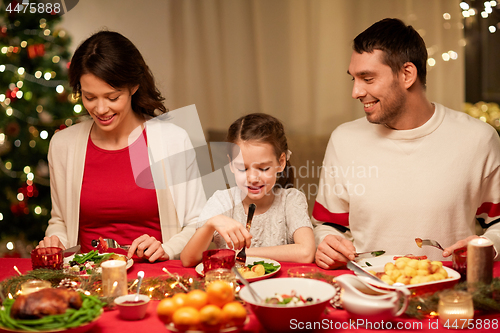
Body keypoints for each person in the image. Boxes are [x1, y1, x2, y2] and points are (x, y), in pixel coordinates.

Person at [313, 18, 500, 269]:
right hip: (369, 292)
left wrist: (487, 247)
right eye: (354, 79)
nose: (355, 92)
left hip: (448, 296)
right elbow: (328, 225)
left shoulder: (479, 138)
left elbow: (497, 223)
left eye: (367, 79)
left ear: (407, 74)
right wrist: (326, 242)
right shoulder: (343, 139)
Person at [37, 31, 206, 262]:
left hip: (155, 276)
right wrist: (56, 242)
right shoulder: (62, 145)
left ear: (134, 86)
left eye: (112, 97)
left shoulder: (173, 140)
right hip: (85, 278)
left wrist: (167, 248)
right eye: (89, 97)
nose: (101, 109)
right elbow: (60, 222)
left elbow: (198, 223)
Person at [180, 113, 316, 267]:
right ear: (231, 164)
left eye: (263, 168)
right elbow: (188, 259)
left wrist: (241, 253)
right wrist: (211, 223)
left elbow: (306, 253)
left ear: (281, 162)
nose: (252, 178)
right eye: (242, 168)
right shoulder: (222, 201)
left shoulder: (291, 199)